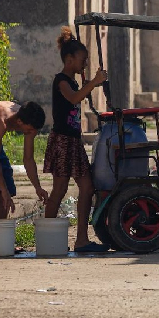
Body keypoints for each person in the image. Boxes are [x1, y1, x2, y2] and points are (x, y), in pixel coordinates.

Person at [46, 28, 108, 253]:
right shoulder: (62, 81)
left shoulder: (73, 81)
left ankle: (81, 239)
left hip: (73, 141)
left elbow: (78, 94)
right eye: (82, 60)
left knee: (87, 187)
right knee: (59, 190)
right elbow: (73, 98)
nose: (85, 64)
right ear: (69, 59)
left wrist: (92, 83)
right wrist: (93, 83)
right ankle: (47, 239)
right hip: (63, 141)